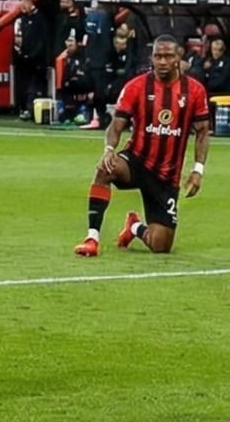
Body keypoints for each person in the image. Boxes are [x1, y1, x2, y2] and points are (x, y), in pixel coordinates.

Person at [74, 35, 211, 256]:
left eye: (168, 56)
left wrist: (198, 170)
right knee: (105, 168)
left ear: (178, 57)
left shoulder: (194, 91)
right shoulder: (136, 87)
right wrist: (109, 151)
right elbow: (115, 126)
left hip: (167, 176)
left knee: (161, 246)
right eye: (158, 56)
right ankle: (92, 238)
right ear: (152, 58)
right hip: (136, 161)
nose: (163, 62)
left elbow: (203, 131)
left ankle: (134, 227)